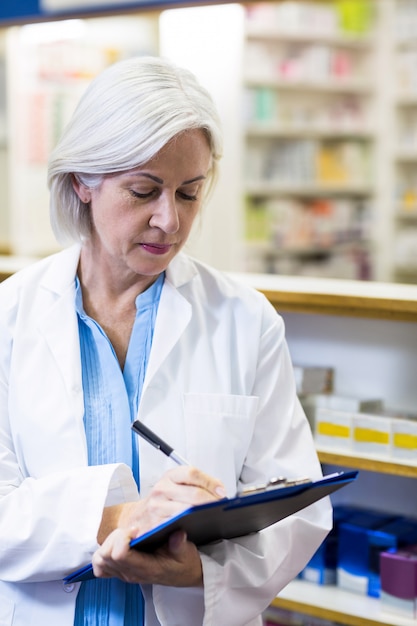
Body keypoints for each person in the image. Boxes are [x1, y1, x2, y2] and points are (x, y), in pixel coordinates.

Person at [0, 55, 332, 626]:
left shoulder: (245, 320)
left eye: (188, 193)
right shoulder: (9, 318)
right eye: (144, 190)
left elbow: (296, 510)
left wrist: (201, 571)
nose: (169, 221)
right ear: (83, 180)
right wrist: (120, 519)